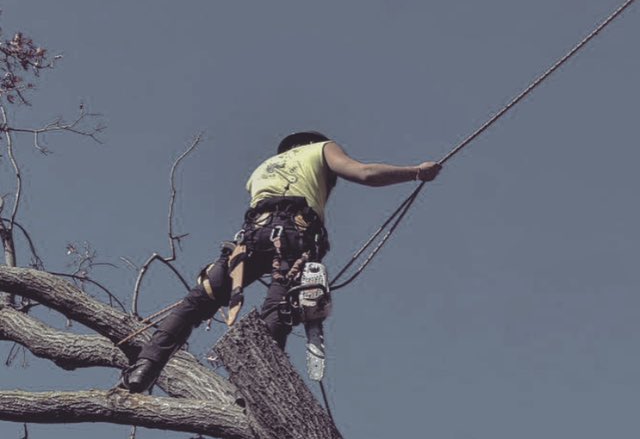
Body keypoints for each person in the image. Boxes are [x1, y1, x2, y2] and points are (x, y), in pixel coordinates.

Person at [120, 132, 441, 392]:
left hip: (249, 237)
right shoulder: (321, 149)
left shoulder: (261, 170)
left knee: (199, 299)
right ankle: (253, 388)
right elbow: (365, 173)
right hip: (293, 233)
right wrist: (416, 173)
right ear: (311, 144)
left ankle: (145, 367)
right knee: (279, 305)